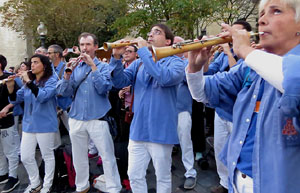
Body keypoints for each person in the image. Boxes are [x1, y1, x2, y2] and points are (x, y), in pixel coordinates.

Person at [186, 0, 300, 193]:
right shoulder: (251, 66)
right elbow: (203, 93)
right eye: (262, 14)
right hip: (238, 181)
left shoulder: (254, 59)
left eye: (276, 11)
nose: (262, 20)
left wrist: (245, 51)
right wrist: (194, 69)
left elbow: (293, 80)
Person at [109, 24, 185, 193]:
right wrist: (115, 57)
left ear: (168, 41)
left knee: (163, 176)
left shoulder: (177, 63)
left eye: (156, 32)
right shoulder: (139, 63)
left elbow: (163, 77)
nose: (150, 35)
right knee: (134, 174)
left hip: (161, 130)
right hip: (138, 129)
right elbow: (119, 82)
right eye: (150, 33)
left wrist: (143, 52)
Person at [57, 32, 121, 193]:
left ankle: (113, 187)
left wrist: (93, 66)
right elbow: (64, 92)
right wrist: (66, 75)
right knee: (78, 156)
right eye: (82, 45)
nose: (84, 48)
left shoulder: (104, 67)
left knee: (107, 156)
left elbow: (104, 88)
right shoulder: (74, 66)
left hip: (98, 118)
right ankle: (82, 185)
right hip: (76, 117)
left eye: (88, 45)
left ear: (95, 47)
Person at [207, 20, 252, 193]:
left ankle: (235, 186)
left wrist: (229, 52)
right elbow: (209, 73)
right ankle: (224, 183)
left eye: (236, 32)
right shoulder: (222, 55)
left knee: (236, 153)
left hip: (238, 115)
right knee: (220, 149)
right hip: (221, 111)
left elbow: (239, 79)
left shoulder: (249, 55)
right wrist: (205, 58)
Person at [7, 54, 58, 193]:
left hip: (45, 123)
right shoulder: (30, 82)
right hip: (29, 124)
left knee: (47, 156)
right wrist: (11, 88)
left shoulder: (52, 80)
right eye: (31, 63)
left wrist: (28, 82)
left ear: (44, 65)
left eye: (36, 62)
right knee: (25, 156)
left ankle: (47, 185)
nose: (32, 65)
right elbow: (16, 99)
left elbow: (43, 96)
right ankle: (35, 183)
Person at [173, 36, 198, 190]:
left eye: (179, 44)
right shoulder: (165, 64)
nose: (176, 47)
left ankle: (190, 172)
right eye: (174, 44)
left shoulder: (186, 64)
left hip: (182, 109)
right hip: (166, 110)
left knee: (185, 141)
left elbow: (185, 77)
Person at [0, 55, 20, 193]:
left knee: (10, 150)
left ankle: (14, 175)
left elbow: (16, 98)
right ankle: (3, 173)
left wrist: (7, 107)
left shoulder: (10, 78)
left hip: (6, 119)